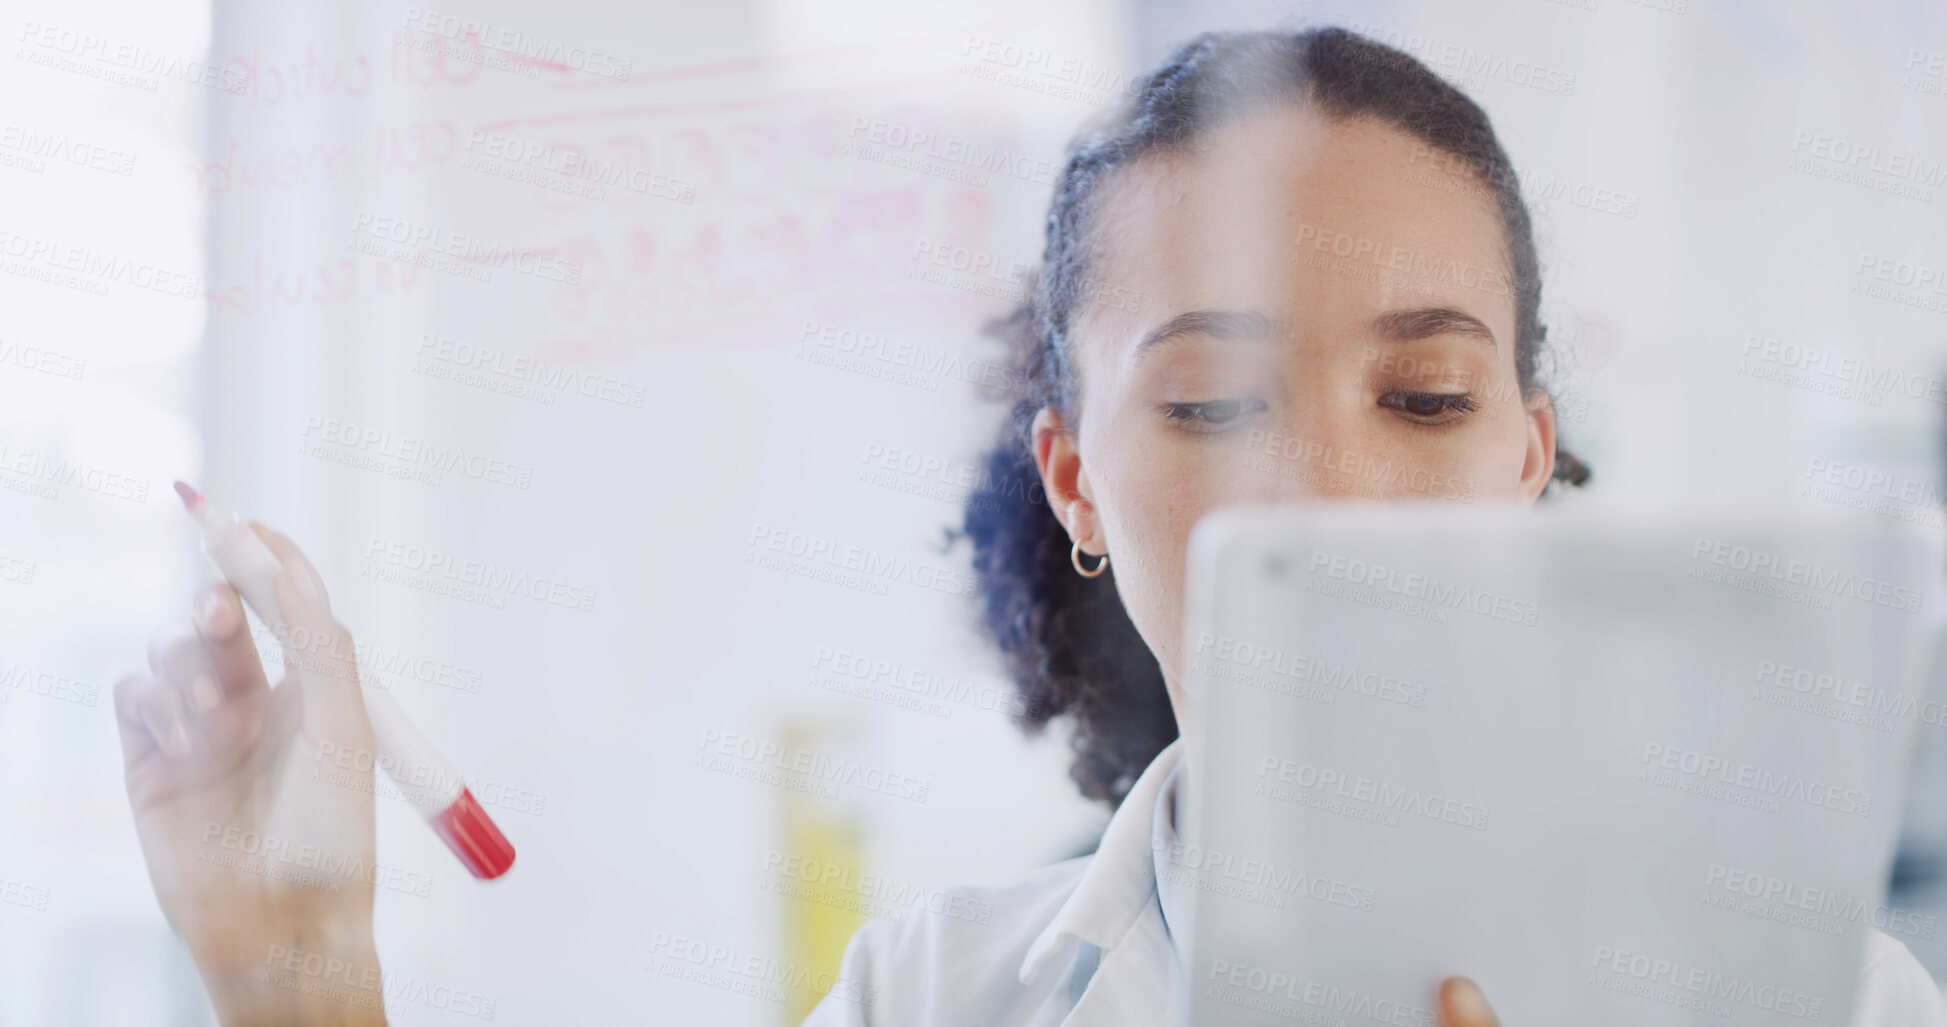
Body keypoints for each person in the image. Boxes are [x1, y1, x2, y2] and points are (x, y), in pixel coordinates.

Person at [111, 26, 1945, 1027]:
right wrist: (298, 983)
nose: (1325, 484)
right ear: (1077, 481)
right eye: (1215, 403)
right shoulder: (931, 1001)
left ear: (1530, 456)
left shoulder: (1833, 1004)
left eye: (1429, 398)